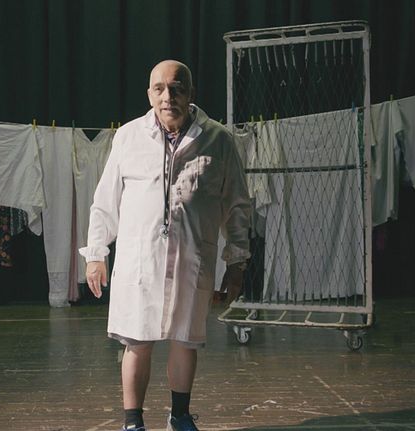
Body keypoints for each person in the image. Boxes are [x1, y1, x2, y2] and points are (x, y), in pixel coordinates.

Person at [80, 60, 251, 431]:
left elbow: (237, 205)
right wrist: (95, 254)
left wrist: (237, 262)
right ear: (149, 94)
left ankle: (180, 416)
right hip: (139, 261)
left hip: (192, 258)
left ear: (191, 94)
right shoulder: (128, 137)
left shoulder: (218, 139)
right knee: (137, 340)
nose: (167, 96)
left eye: (177, 88)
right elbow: (105, 201)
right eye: (159, 88)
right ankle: (133, 422)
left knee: (185, 340)